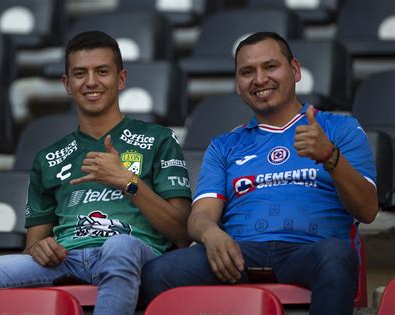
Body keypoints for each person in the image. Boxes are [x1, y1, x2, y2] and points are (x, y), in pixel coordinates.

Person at [0, 31, 192, 315]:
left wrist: (127, 181)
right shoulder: (48, 158)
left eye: (102, 71)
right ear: (67, 84)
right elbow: (35, 245)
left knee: (120, 245)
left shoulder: (158, 139)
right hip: (67, 258)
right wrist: (41, 249)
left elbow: (182, 233)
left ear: (121, 79)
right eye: (80, 73)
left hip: (133, 253)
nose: (91, 82)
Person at [141, 32, 378, 315]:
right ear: (238, 85)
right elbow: (201, 214)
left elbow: (367, 210)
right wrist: (210, 234)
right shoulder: (224, 145)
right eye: (247, 72)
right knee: (157, 272)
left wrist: (330, 157)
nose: (260, 79)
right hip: (239, 254)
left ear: (295, 70)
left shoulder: (341, 129)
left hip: (310, 251)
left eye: (270, 67)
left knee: (337, 255)